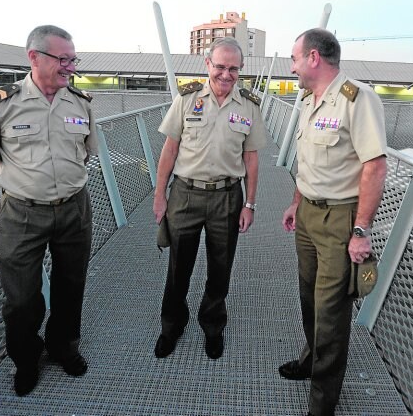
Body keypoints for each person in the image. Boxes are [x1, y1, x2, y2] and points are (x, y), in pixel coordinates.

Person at [0, 25, 98, 396]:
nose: (70, 67)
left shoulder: (81, 102)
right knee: (21, 298)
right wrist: (30, 186)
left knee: (70, 285)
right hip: (21, 213)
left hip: (74, 209)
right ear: (34, 57)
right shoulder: (1, 104)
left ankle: (63, 347)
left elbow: (87, 152)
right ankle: (27, 359)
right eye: (62, 59)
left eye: (72, 60)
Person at [279, 28, 387, 416]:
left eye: (293, 59)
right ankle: (311, 359)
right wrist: (295, 202)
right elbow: (308, 162)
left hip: (340, 219)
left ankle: (322, 403)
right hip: (308, 214)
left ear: (312, 58)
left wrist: (361, 230)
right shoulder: (310, 100)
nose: (291, 67)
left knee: (331, 310)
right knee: (308, 297)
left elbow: (374, 166)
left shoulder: (356, 99)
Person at [153, 37, 268, 360]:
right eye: (220, 66)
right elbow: (170, 150)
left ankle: (213, 326)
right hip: (185, 195)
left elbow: (252, 159)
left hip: (227, 198)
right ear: (208, 65)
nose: (226, 74)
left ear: (240, 70)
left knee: (221, 268)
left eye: (233, 68)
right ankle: (171, 326)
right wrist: (160, 196)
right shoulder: (187, 100)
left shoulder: (249, 106)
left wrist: (250, 203)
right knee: (179, 268)